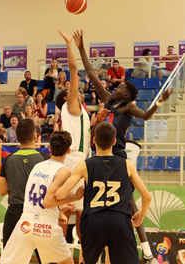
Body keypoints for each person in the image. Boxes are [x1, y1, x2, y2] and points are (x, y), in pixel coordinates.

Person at [74, 29, 171, 263]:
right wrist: (80, 47)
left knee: (128, 201)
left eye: (118, 88)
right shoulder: (108, 100)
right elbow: (90, 72)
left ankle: (146, 247)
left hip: (117, 154)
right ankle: (91, 241)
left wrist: (158, 102)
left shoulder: (127, 107)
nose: (113, 87)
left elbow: (147, 116)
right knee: (93, 199)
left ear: (126, 94)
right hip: (98, 153)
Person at [55, 122, 152, 264]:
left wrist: (74, 197)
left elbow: (59, 194)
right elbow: (147, 197)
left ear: (94, 141)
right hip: (120, 220)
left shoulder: (84, 165)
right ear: (114, 142)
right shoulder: (127, 165)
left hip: (94, 220)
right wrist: (141, 214)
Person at [0, 131, 83, 264]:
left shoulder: (38, 166)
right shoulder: (64, 170)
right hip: (46, 227)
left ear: (49, 148)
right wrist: (75, 197)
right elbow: (47, 201)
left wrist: (59, 210)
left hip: (25, 224)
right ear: (68, 151)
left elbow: (36, 201)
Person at [55, 30, 91, 254]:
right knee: (66, 215)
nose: (76, 91)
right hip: (73, 163)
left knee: (78, 218)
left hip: (79, 160)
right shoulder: (72, 107)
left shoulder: (80, 113)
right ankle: (56, 254)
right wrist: (71, 44)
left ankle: (76, 255)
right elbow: (74, 69)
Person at [0, 119, 50, 253]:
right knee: (46, 260)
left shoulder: (8, 160)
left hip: (15, 213)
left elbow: (2, 191)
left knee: (10, 259)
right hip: (40, 213)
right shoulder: (46, 158)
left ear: (16, 137)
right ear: (34, 136)